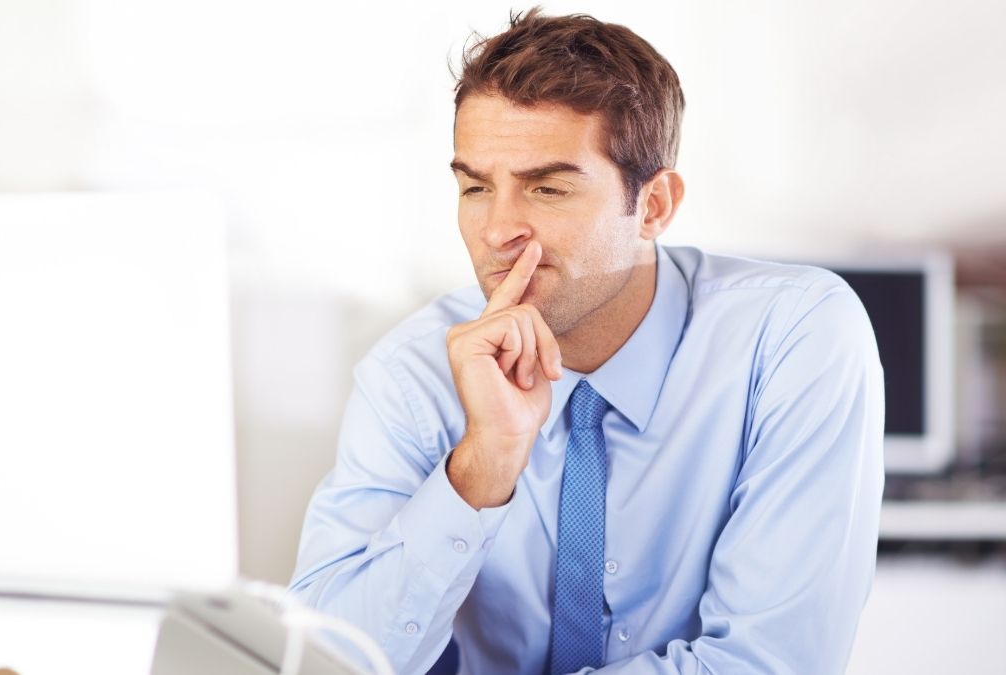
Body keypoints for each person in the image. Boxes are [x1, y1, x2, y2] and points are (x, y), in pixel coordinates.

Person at [289, 8, 884, 674]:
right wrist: (484, 463)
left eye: (547, 188)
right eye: (476, 187)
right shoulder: (412, 372)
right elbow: (324, 661)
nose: (497, 231)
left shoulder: (793, 338)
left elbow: (769, 662)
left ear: (653, 206)